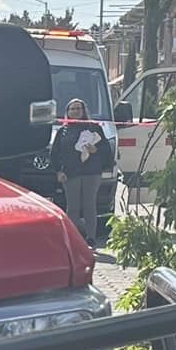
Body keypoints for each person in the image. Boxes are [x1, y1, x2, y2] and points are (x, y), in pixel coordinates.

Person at [52, 99, 113, 245]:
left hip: (91, 173)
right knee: (72, 207)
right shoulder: (63, 131)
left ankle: (91, 238)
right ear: (67, 112)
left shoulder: (94, 128)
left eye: (78, 108)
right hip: (70, 174)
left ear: (84, 110)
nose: (75, 111)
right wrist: (58, 171)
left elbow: (106, 150)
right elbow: (55, 154)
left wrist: (95, 150)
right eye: (72, 109)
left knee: (89, 205)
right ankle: (72, 239)